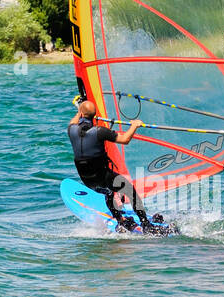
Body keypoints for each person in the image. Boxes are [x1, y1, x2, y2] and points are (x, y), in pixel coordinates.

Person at [67, 97, 157, 232]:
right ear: (94, 115)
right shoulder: (100, 131)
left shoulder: (71, 130)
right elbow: (125, 139)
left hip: (87, 180)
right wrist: (134, 125)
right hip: (102, 177)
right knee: (129, 189)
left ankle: (120, 219)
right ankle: (146, 224)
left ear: (80, 114)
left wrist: (80, 108)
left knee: (109, 192)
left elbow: (74, 122)